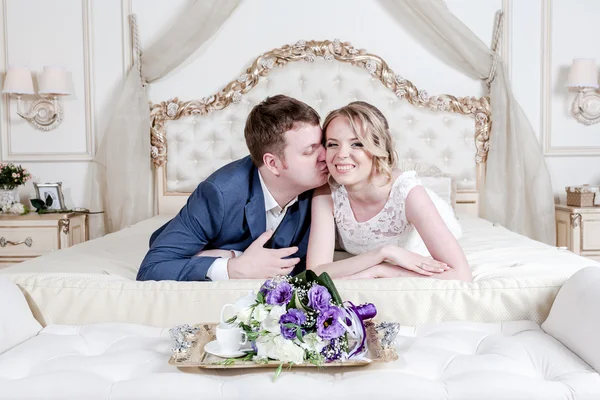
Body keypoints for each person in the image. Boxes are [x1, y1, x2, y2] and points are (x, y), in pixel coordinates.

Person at [137, 95, 328, 282]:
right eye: (310, 150)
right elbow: (152, 268)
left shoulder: (326, 180)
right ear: (273, 163)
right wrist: (232, 267)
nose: (325, 155)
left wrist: (231, 254)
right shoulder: (219, 194)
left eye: (323, 143)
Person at [306, 101, 472, 281]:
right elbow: (315, 272)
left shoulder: (408, 193)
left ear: (378, 148)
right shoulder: (326, 193)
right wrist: (384, 254)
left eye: (357, 144)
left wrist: (382, 271)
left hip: (426, 214)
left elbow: (462, 275)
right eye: (332, 144)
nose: (341, 154)